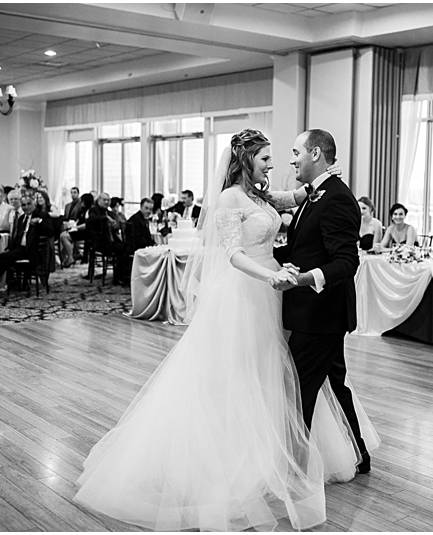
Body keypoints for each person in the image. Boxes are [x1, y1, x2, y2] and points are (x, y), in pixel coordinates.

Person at [74, 129, 378, 532]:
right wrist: (272, 276)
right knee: (248, 377)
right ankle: (264, 460)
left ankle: (310, 456)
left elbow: (300, 209)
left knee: (290, 378)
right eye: (267, 157)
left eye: (285, 154)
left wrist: (287, 266)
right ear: (247, 159)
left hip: (286, 296)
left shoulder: (269, 196)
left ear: (316, 155)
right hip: (247, 293)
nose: (277, 163)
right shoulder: (230, 199)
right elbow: (234, 254)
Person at [273, 128, 374, 476]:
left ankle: (295, 468)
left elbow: (347, 261)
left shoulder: (338, 198)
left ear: (315, 154)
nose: (291, 160)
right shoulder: (317, 195)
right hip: (318, 314)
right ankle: (359, 454)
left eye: (296, 152)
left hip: (320, 315)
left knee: (298, 391)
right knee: (334, 383)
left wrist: (304, 279)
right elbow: (305, 249)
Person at [0, 193, 51, 290]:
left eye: (29, 204)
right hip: (20, 249)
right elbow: (18, 237)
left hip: (32, 251)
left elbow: (51, 232)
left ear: (34, 203)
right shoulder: (22, 218)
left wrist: (39, 222)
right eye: (23, 205)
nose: (26, 207)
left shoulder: (42, 215)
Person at [59, 192, 94, 268]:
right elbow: (78, 220)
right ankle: (66, 257)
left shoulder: (90, 211)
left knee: (63, 236)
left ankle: (70, 257)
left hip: (85, 232)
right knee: (63, 234)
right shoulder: (83, 210)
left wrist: (75, 228)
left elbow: (86, 225)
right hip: (79, 229)